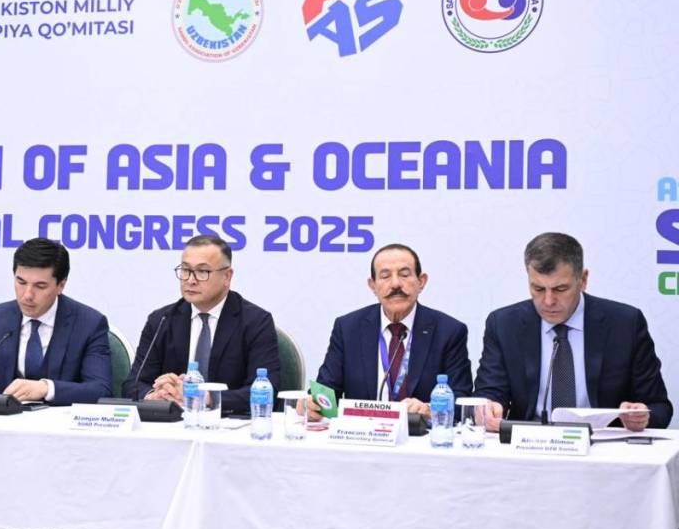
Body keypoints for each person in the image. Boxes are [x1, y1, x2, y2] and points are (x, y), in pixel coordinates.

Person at [0, 237, 110, 529]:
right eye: (20, 282)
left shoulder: (89, 323)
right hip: (3, 446)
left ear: (61, 285)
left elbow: (100, 389)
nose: (27, 295)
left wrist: (45, 388)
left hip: (64, 450)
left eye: (40, 286)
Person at [474, 232, 672, 431]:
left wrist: (641, 416)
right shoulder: (504, 325)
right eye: (538, 289)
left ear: (583, 280)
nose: (548, 301)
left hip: (602, 443)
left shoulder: (625, 324)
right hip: (528, 441)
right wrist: (488, 408)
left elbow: (659, 406)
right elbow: (489, 393)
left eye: (560, 289)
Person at [308, 243, 472, 421]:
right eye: (385, 276)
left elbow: (461, 400)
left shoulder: (449, 331)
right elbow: (327, 390)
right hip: (363, 433)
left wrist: (430, 410)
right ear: (373, 285)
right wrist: (312, 404)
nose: (395, 284)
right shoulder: (348, 328)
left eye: (404, 274)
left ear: (421, 281)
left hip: (420, 434)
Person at [122, 234, 280, 415]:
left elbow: (267, 390)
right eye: (185, 270)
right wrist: (154, 395)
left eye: (202, 272)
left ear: (227, 276)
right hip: (172, 423)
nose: (190, 280)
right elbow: (133, 384)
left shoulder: (256, 322)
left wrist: (205, 397)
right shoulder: (162, 320)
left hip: (228, 424)